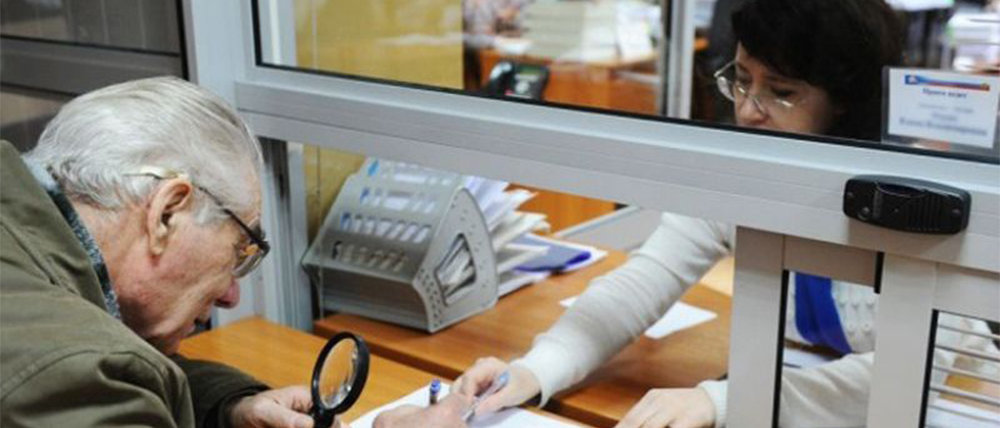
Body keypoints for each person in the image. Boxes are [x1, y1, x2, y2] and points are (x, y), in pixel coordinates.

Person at [454, 0, 998, 427]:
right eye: (741, 79)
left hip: (964, 398)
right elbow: (640, 284)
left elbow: (909, 369)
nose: (747, 109)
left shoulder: (909, 202)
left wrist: (720, 400)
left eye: (780, 92)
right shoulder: (749, 177)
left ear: (844, 102)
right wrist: (535, 369)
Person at [0, 77, 470, 428]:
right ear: (167, 213)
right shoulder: (69, 370)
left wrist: (228, 407)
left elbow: (125, 375)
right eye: (238, 249)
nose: (231, 296)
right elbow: (95, 374)